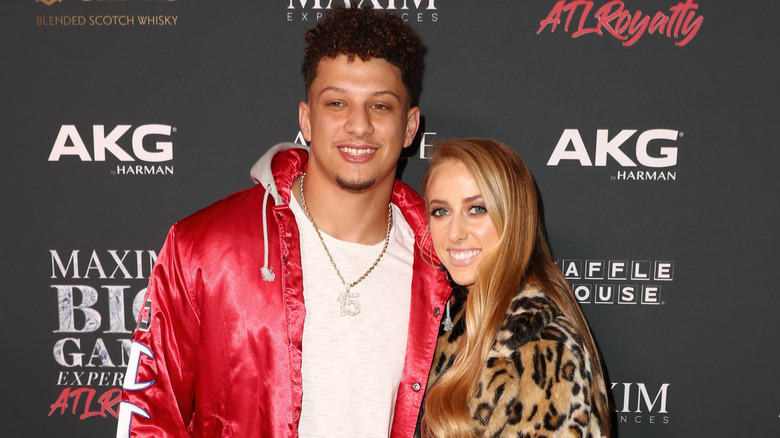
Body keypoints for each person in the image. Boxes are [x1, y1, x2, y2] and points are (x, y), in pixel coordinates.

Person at [116, 7, 452, 438]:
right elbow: (149, 412)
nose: (359, 125)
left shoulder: (445, 263)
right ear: (306, 119)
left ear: (409, 127)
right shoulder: (205, 248)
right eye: (337, 103)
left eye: (380, 106)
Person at [417, 138, 611, 437]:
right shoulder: (453, 321)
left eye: (477, 208)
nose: (454, 233)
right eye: (441, 211)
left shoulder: (543, 349)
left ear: (514, 215)